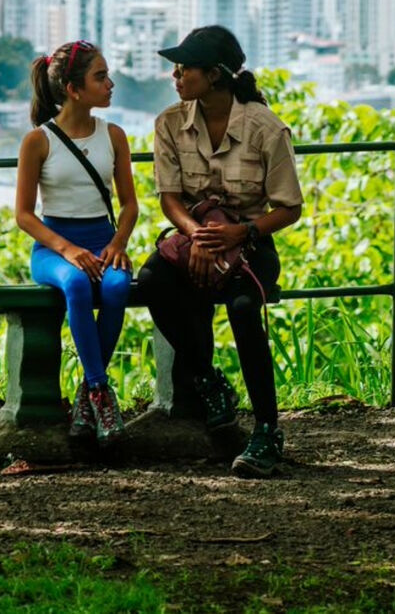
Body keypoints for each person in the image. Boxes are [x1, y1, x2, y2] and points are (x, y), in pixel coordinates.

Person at [137, 25, 302, 478]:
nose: (176, 75)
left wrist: (239, 234)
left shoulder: (265, 127)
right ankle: (208, 380)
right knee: (152, 282)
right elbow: (169, 198)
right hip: (195, 241)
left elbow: (289, 208)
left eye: (184, 67)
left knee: (245, 309)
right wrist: (199, 236)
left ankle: (267, 429)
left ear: (214, 75)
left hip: (250, 245)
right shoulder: (170, 122)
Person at [16, 39, 138, 445]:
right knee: (77, 284)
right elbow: (24, 215)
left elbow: (130, 205)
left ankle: (88, 395)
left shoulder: (114, 135)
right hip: (55, 250)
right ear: (73, 88)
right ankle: (101, 392)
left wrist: (119, 242)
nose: (110, 84)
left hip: (104, 244)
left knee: (118, 287)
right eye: (100, 77)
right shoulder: (39, 141)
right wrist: (67, 250)